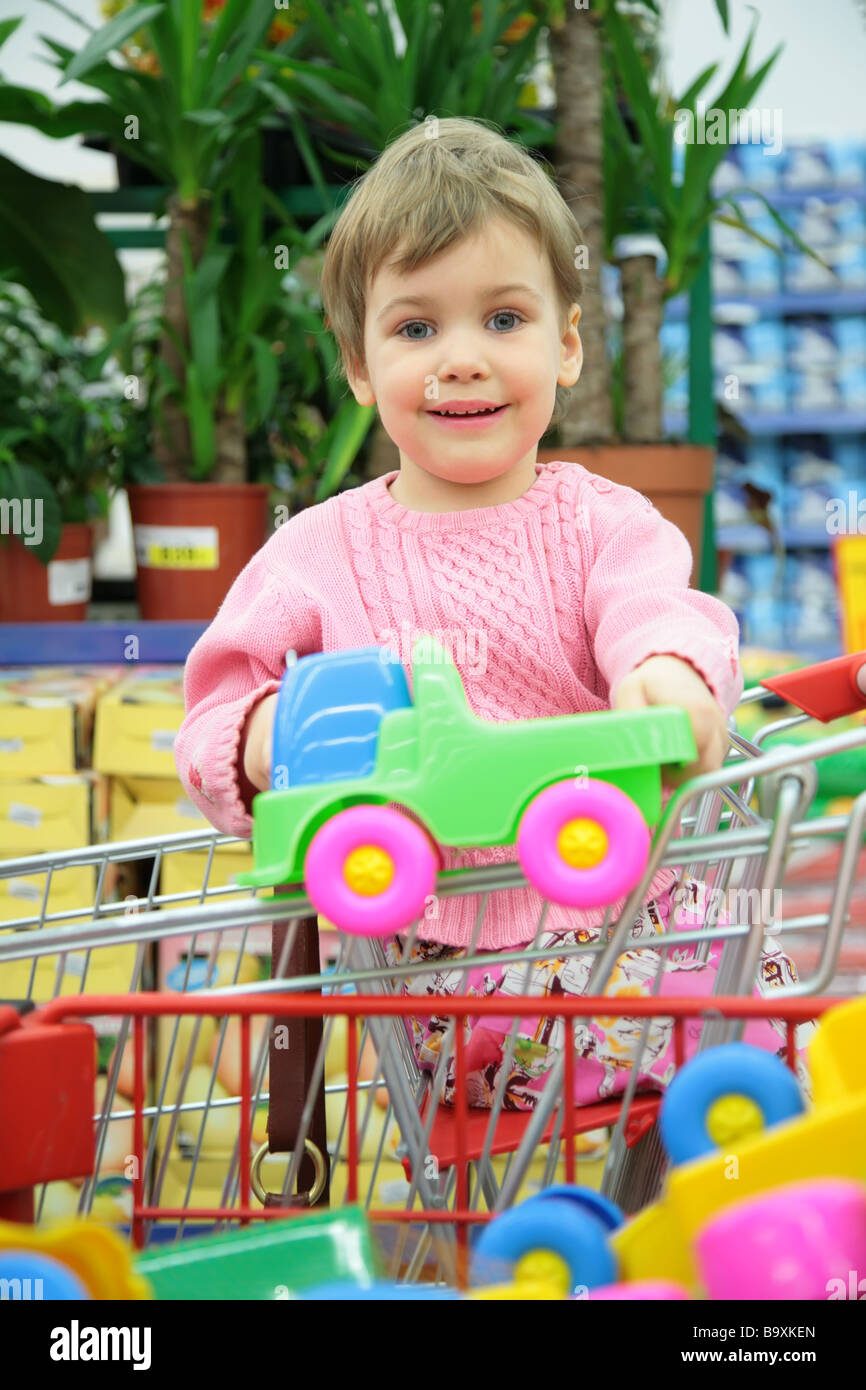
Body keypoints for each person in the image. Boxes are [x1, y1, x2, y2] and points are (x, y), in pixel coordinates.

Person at [175, 117, 813, 1113]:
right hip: (445, 975)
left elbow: (658, 612)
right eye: (415, 328)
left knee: (732, 1107)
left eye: (503, 320)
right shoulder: (312, 553)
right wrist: (263, 736)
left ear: (565, 347)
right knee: (495, 1187)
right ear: (356, 365)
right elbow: (211, 713)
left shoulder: (603, 520)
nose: (460, 359)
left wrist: (666, 677)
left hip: (635, 928)